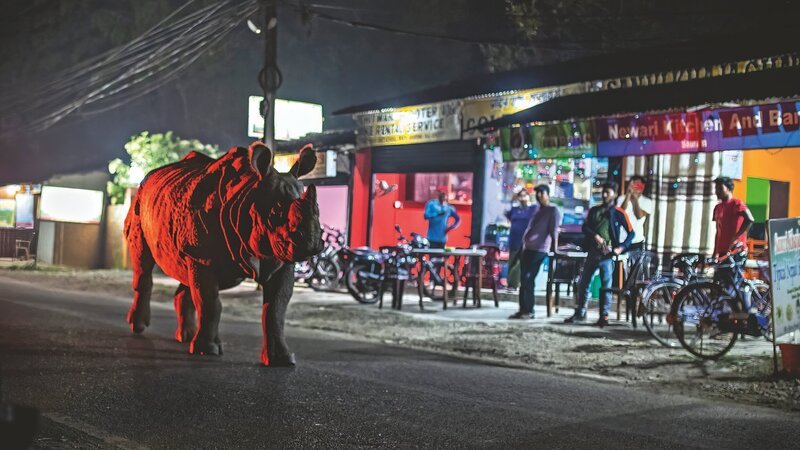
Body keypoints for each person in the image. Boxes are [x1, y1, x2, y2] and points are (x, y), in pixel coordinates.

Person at [565, 181, 635, 327]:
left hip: (607, 255)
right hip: (592, 252)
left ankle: (604, 316)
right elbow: (585, 227)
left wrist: (621, 248)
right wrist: (595, 236)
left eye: (608, 192)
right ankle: (580, 313)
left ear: (614, 195)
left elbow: (631, 233)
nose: (604, 195)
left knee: (606, 286)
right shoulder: (594, 210)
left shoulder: (619, 212)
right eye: (604, 192)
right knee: (584, 283)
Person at [509, 185, 562, 319]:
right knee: (523, 279)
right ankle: (523, 309)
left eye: (541, 193)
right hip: (527, 248)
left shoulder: (552, 210)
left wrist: (554, 249)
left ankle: (529, 310)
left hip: (539, 249)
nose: (539, 195)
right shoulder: (536, 210)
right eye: (537, 193)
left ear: (547, 194)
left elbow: (554, 230)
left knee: (528, 278)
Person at [711, 176, 754, 306]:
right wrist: (715, 253)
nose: (717, 191)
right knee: (719, 284)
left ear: (729, 188)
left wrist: (736, 236)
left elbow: (750, 219)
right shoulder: (717, 207)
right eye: (716, 188)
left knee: (733, 284)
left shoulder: (737, 203)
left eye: (720, 188)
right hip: (723, 252)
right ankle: (728, 313)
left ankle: (744, 311)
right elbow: (718, 231)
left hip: (736, 251)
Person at [504, 190, 534, 291]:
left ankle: (515, 284)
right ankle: (510, 284)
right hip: (514, 239)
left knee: (521, 263)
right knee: (512, 261)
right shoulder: (514, 209)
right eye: (520, 196)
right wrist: (511, 200)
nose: (522, 198)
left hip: (526, 240)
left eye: (524, 196)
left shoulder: (532, 209)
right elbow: (507, 214)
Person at [617, 175, 653, 260]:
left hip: (637, 240)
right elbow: (620, 213)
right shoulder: (621, 199)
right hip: (622, 240)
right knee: (621, 268)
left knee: (635, 270)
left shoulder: (647, 201)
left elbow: (639, 216)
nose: (636, 187)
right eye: (634, 185)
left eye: (639, 185)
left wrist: (635, 200)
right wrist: (628, 195)